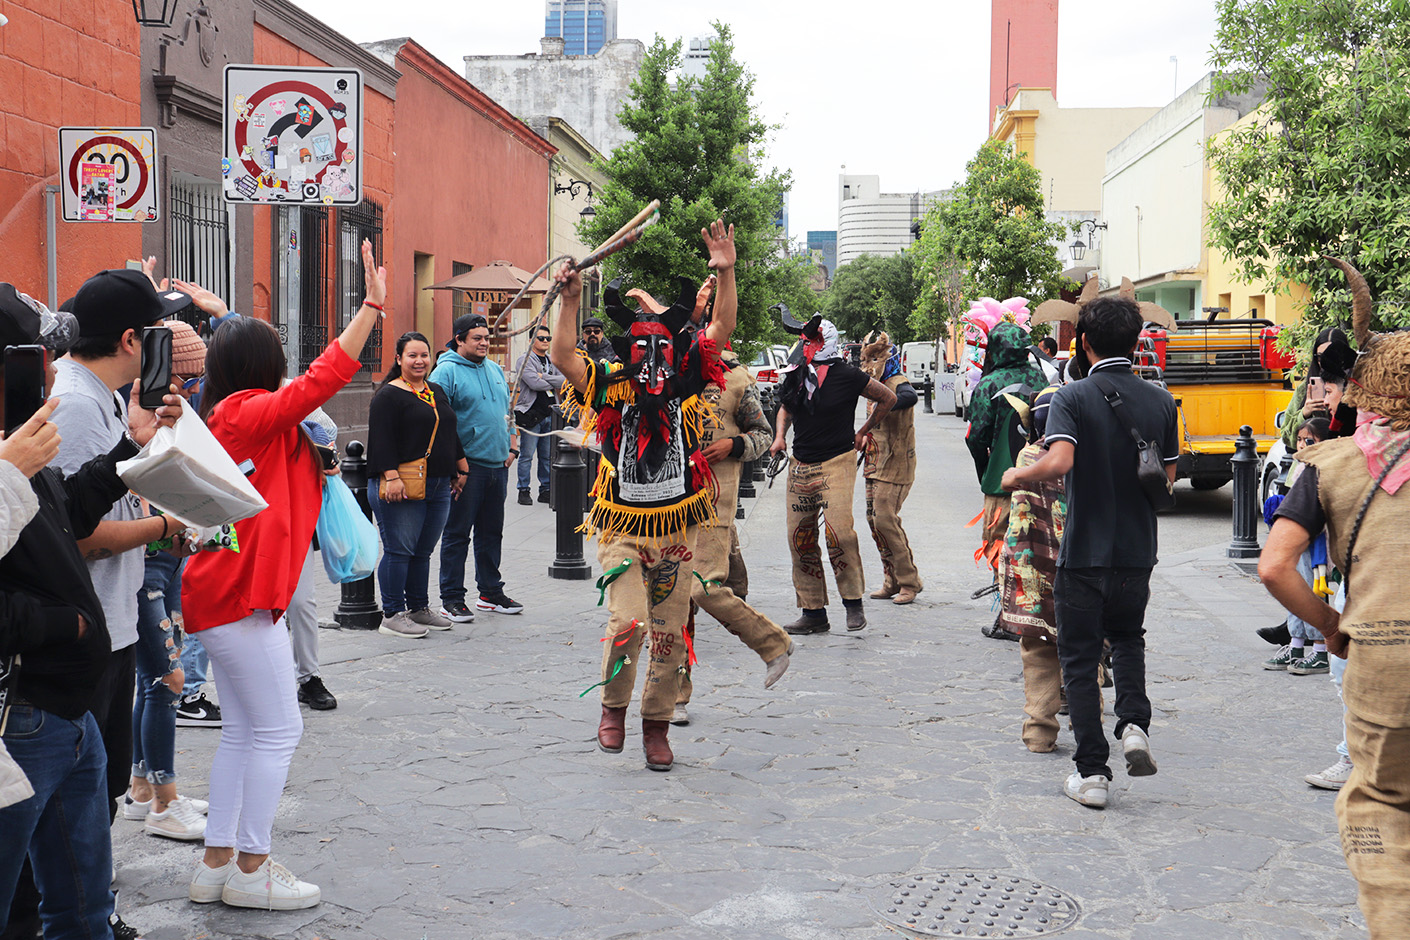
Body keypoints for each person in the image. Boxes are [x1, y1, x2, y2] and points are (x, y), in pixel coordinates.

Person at [182, 239, 385, 911]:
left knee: (246, 729)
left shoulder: (239, 416)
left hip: (232, 592)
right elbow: (320, 381)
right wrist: (371, 308)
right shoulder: (243, 412)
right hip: (239, 595)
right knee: (279, 730)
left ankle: (218, 863)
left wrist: (217, 314)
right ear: (264, 366)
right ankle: (253, 867)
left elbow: (305, 401)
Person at [0, 285, 176, 940]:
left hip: (69, 712)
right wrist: (61, 626)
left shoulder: (23, 438)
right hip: (23, 708)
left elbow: (66, 513)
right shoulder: (21, 445)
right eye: (37, 355)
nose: (53, 367)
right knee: (22, 903)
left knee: (80, 905)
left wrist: (128, 453)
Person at [549, 220, 737, 773]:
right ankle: (613, 709)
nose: (653, 355)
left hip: (678, 527)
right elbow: (563, 356)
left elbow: (720, 328)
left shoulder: (684, 383)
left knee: (669, 637)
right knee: (629, 621)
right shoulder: (610, 383)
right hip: (621, 524)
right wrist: (571, 299)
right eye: (642, 346)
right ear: (628, 348)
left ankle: (656, 727)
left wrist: (726, 272)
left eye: (663, 345)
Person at [1260, 260, 1410, 938]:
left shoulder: (1330, 465)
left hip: (1385, 653)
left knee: (1378, 801)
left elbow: (1275, 566)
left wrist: (1331, 626)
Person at [1001, 295, 1179, 810]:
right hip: (1137, 552)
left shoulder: (1072, 396)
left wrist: (1016, 474)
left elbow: (1058, 462)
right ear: (1136, 341)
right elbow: (1166, 480)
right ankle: (1133, 724)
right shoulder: (1161, 402)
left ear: (1083, 343)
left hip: (1083, 553)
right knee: (1127, 640)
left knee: (1078, 661)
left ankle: (1092, 773)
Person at [673, 289, 792, 725]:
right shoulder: (665, 378)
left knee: (700, 588)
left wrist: (733, 444)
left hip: (714, 505)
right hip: (668, 505)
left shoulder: (736, 379)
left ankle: (772, 642)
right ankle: (676, 695)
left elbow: (763, 435)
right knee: (672, 603)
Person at [124, 319, 210, 843]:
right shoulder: (133, 417)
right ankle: (165, 801)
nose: (194, 390)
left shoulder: (173, 415)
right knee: (168, 679)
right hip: (144, 562)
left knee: (153, 678)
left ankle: (142, 789)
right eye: (189, 380)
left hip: (166, 557)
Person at [769, 315, 896, 635]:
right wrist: (780, 436)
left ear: (823, 344)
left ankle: (853, 604)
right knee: (800, 539)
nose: (803, 346)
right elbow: (785, 406)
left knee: (839, 534)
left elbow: (888, 398)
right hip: (800, 465)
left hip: (836, 462)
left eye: (809, 341)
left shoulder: (848, 374)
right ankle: (813, 613)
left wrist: (864, 430)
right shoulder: (797, 374)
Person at [367, 331, 467, 638]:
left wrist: (461, 464)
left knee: (422, 551)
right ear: (399, 360)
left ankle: (418, 608)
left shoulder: (434, 390)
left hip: (437, 483)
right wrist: (391, 476)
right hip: (401, 484)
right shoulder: (388, 395)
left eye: (424, 355)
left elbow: (447, 429)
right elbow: (381, 441)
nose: (419, 361)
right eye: (412, 355)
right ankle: (392, 614)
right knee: (399, 550)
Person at [432, 314, 521, 621]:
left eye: (486, 338)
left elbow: (508, 413)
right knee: (457, 534)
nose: (484, 343)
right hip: (468, 470)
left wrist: (513, 444)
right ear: (459, 339)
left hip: (499, 465)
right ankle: (452, 598)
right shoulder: (445, 372)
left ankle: (490, 593)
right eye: (477, 338)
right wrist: (456, 466)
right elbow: (439, 424)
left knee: (491, 533)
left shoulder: (495, 369)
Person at [965, 319, 1047, 640]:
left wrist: (984, 469)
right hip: (1039, 476)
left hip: (1002, 481)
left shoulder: (988, 384)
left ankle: (1008, 619)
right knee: (1032, 546)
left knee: (1000, 545)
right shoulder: (1039, 376)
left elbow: (976, 437)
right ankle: (1034, 612)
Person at [996, 386, 1068, 752]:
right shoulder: (1086, 455)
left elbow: (1008, 516)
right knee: (1084, 645)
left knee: (1037, 647)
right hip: (1080, 570)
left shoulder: (1028, 457)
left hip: (1034, 569)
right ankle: (1084, 710)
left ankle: (1040, 732)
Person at [1261, 417, 1333, 674]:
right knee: (1293, 589)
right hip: (1298, 537)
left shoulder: (1325, 468)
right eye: (1300, 440)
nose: (1302, 445)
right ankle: (1296, 644)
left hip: (1315, 541)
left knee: (1313, 590)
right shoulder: (1301, 466)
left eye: (1309, 441)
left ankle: (1321, 650)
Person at [858, 331, 922, 605]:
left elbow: (909, 397)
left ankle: (909, 581)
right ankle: (891, 580)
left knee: (885, 518)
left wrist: (887, 402)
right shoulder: (874, 383)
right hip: (874, 462)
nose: (868, 364)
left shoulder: (898, 382)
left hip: (896, 464)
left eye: (874, 358)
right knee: (874, 521)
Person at [513, 326, 563, 506]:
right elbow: (534, 383)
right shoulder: (523, 359)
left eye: (548, 338)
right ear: (531, 340)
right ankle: (523, 490)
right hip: (531, 414)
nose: (545, 341)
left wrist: (544, 376)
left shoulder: (552, 360)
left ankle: (546, 490)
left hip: (550, 413)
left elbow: (564, 380)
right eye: (541, 338)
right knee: (526, 455)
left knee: (547, 455)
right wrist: (549, 380)